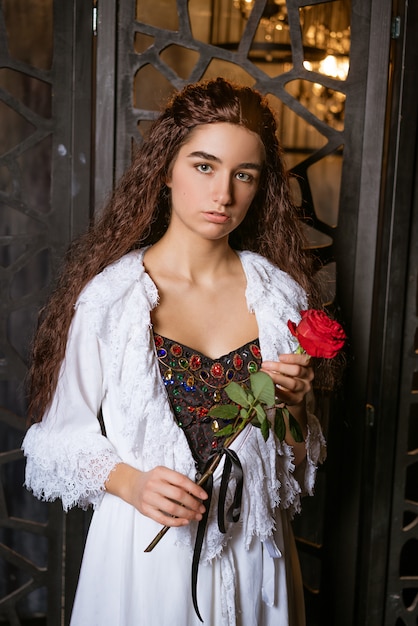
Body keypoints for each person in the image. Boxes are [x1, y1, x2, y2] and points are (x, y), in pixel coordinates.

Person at [22, 77, 327, 626]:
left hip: (255, 553)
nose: (223, 194)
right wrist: (133, 484)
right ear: (166, 169)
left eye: (244, 175)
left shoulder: (281, 296)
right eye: (204, 167)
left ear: (260, 188)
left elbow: (295, 462)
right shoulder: (114, 298)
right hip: (145, 559)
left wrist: (299, 406)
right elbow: (55, 442)